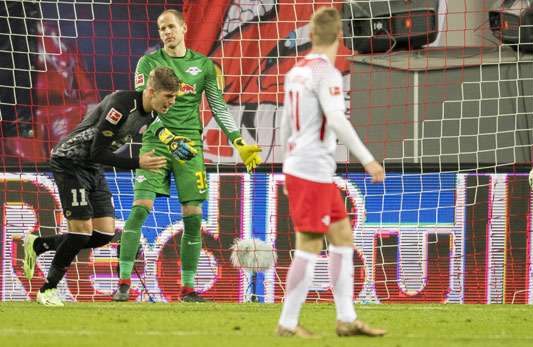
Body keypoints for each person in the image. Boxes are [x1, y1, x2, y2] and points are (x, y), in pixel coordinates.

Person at [112, 9, 262, 302]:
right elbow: (143, 108)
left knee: (193, 218)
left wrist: (239, 141)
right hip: (156, 143)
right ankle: (123, 282)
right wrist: (167, 136)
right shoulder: (149, 63)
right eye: (161, 28)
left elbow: (218, 107)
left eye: (170, 27)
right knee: (140, 208)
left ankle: (188, 288)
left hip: (190, 148)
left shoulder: (203, 65)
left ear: (183, 28)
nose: (166, 32)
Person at [21, 67, 192, 306]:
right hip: (70, 162)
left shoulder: (152, 112)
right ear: (151, 91)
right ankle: (47, 290)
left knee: (103, 233)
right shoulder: (120, 105)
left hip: (92, 167)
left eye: (174, 97)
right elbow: (98, 151)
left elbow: (155, 129)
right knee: (80, 230)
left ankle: (40, 244)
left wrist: (173, 143)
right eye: (168, 97)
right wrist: (138, 162)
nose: (171, 102)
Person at [277, 7, 386, 337]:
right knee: (309, 243)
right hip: (311, 170)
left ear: (310, 35)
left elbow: (285, 124)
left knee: (342, 239)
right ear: (340, 37)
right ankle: (288, 322)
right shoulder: (327, 73)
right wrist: (367, 158)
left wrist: (284, 168)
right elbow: (337, 120)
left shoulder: (296, 71)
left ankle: (346, 318)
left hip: (309, 169)